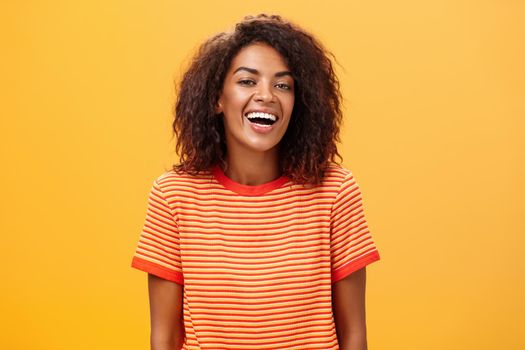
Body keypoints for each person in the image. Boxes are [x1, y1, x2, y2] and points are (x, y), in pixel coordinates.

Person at [131, 14, 380, 350]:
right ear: (217, 99)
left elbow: (354, 336)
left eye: (283, 85)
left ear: (298, 103)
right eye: (247, 81)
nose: (267, 95)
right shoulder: (174, 196)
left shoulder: (335, 191)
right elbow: (165, 339)